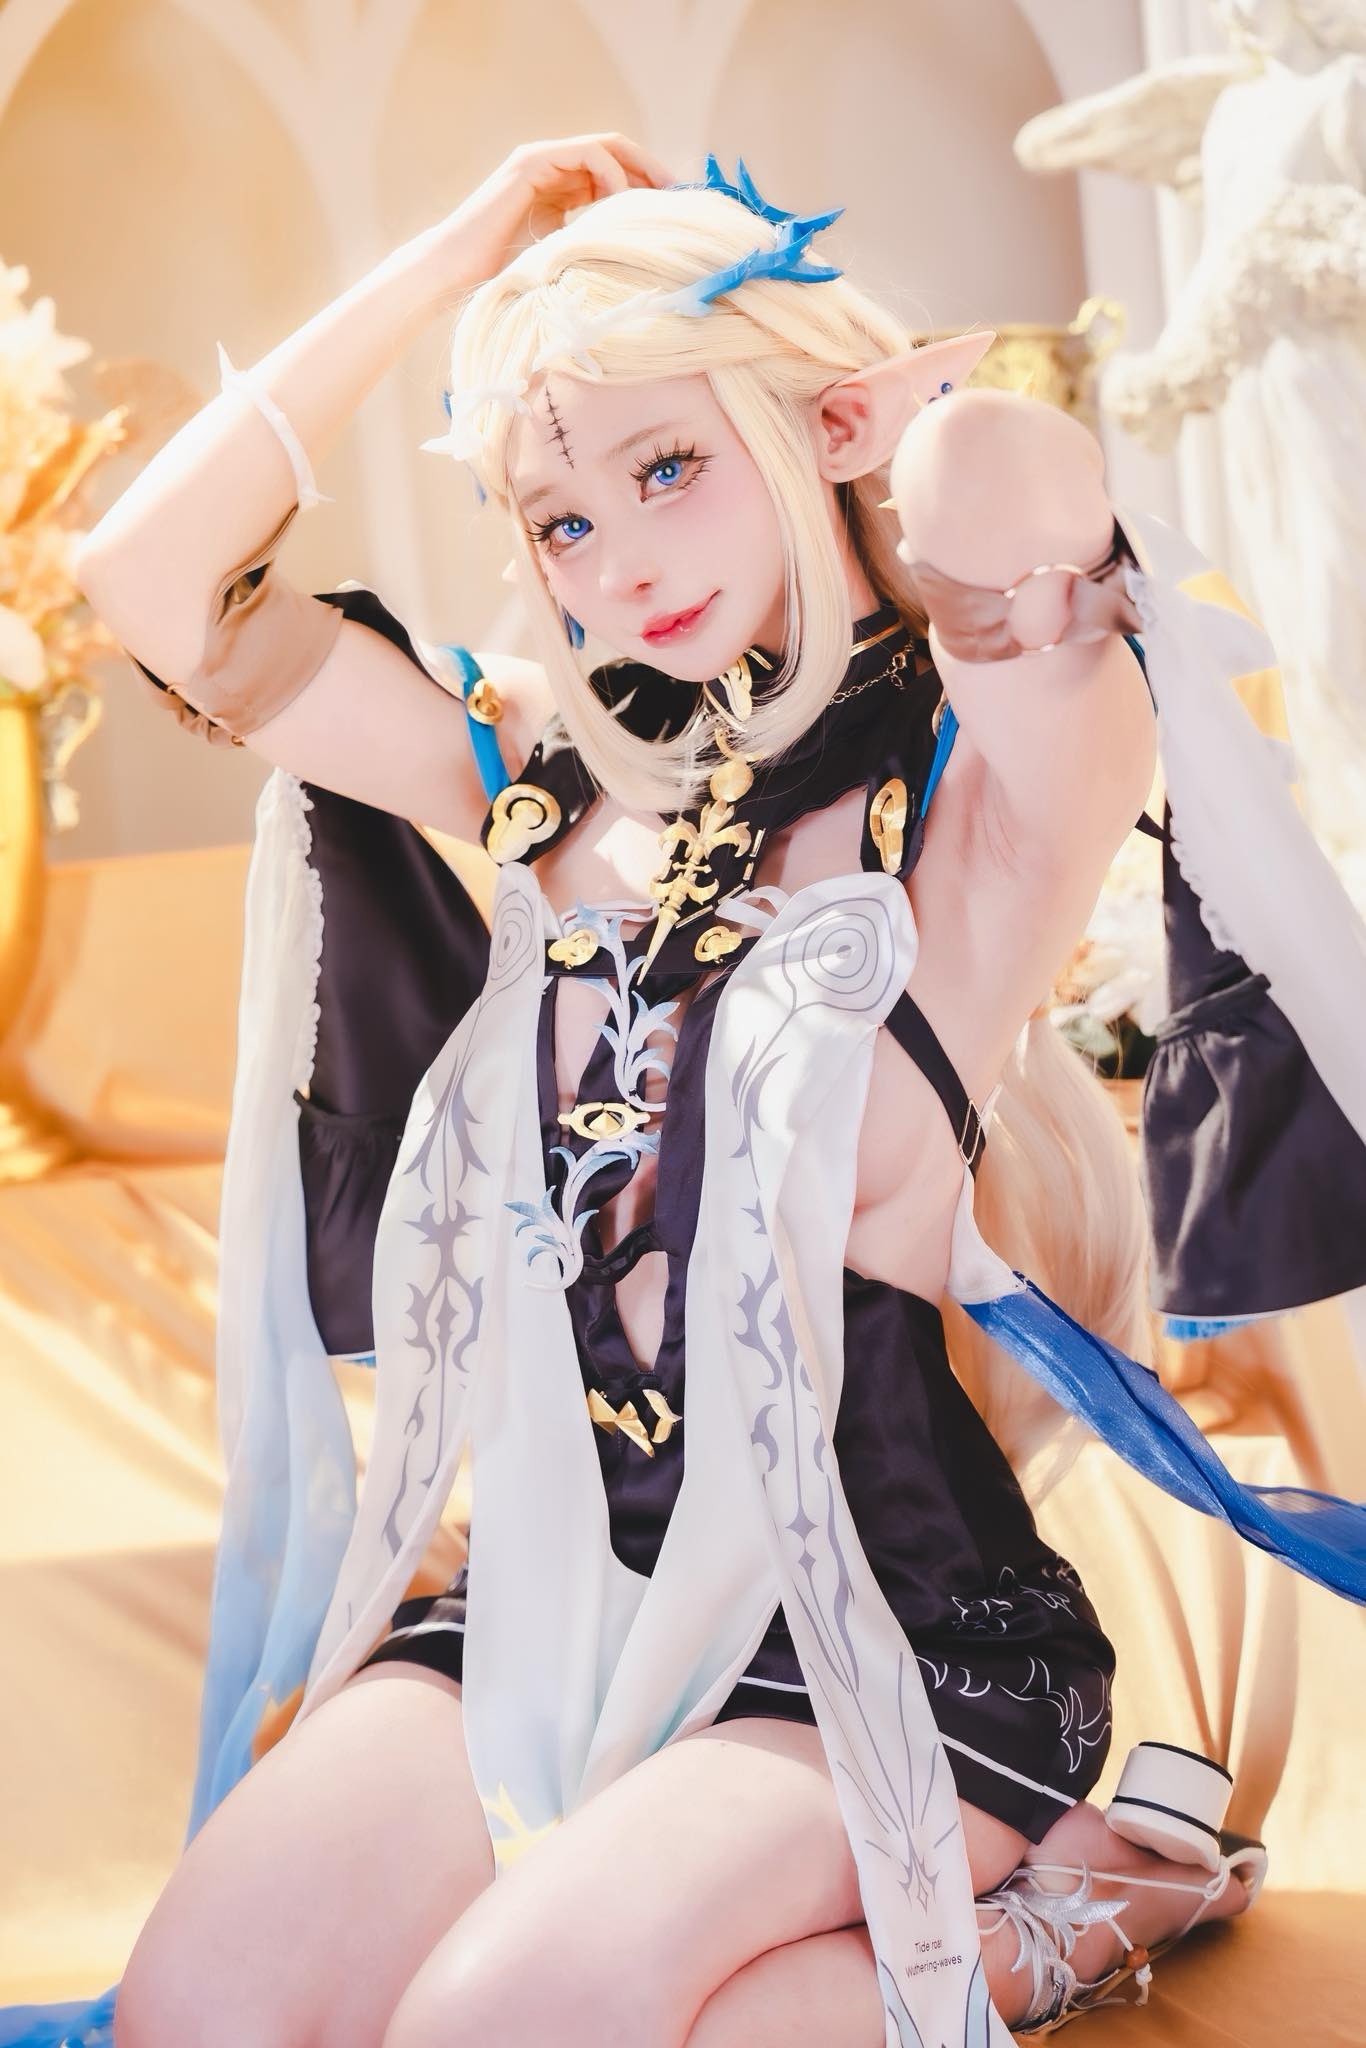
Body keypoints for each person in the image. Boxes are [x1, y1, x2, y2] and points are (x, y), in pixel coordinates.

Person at [15, 134, 1366, 2048]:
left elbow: (1008, 481)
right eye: (558, 519)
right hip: (555, 1606)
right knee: (203, 2014)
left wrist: (868, 426)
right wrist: (466, 249)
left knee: (504, 2030)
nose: (620, 558)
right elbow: (146, 578)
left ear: (822, 432)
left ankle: (1064, 1914)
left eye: (668, 469)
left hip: (887, 1639)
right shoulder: (533, 782)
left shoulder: (979, 790)